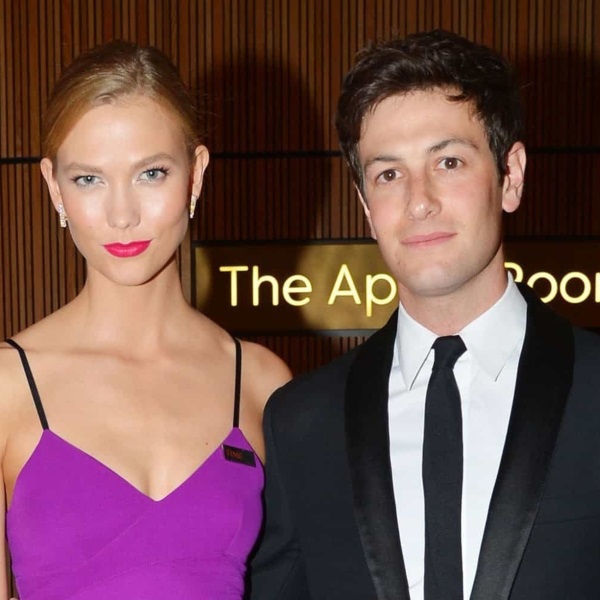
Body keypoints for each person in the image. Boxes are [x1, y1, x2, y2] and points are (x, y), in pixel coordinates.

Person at [248, 29, 600, 600]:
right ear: (366, 207)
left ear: (511, 176)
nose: (419, 201)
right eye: (389, 174)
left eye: (449, 162)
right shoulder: (302, 423)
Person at [0, 41, 290, 600]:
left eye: (151, 173)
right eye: (88, 179)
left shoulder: (259, 381)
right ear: (54, 187)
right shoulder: (8, 386)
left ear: (195, 175)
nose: (122, 215)